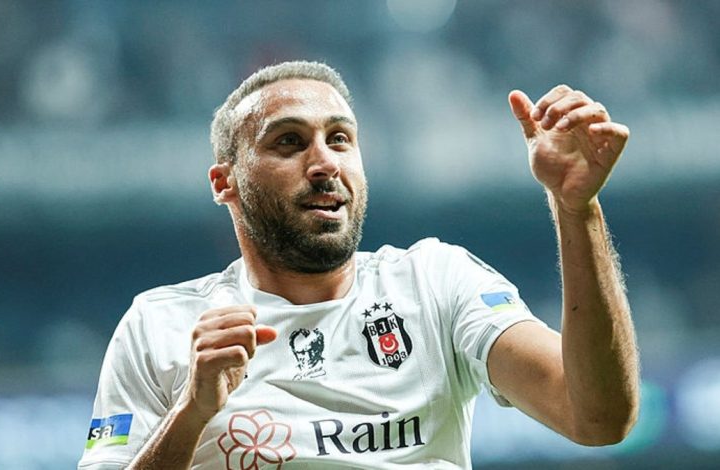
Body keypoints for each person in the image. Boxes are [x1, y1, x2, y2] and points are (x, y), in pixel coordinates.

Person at [78, 61, 639, 470]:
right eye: (289, 141)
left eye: (340, 139)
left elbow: (597, 418)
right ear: (226, 182)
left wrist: (577, 209)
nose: (324, 162)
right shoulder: (161, 325)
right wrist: (191, 410)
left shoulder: (436, 283)